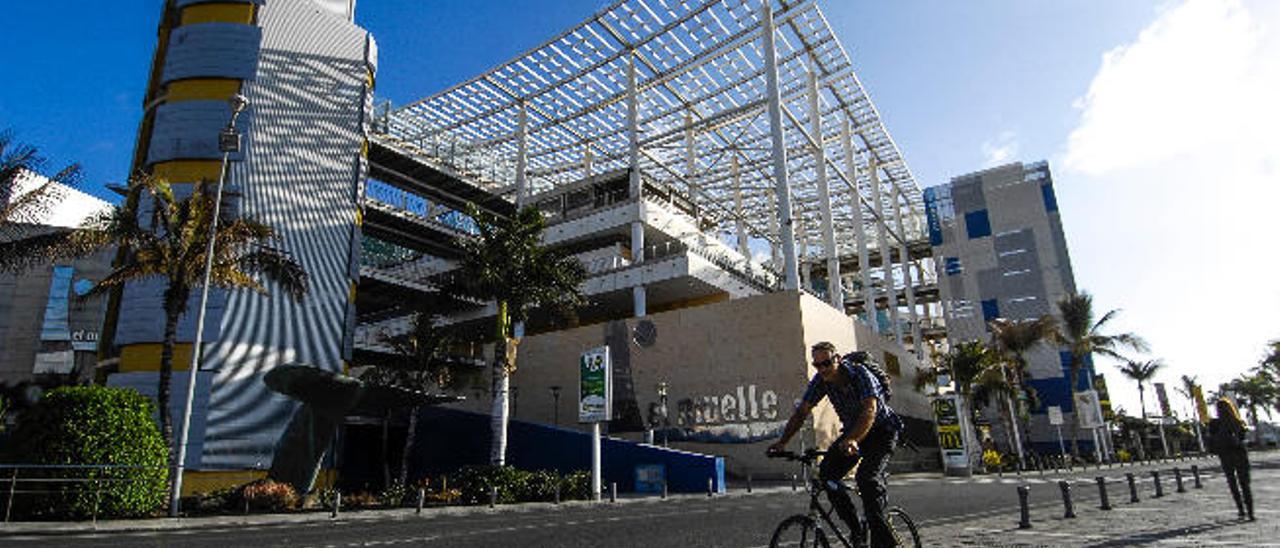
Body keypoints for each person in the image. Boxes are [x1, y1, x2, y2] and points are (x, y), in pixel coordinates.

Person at [768, 342, 905, 547]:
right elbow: (802, 412)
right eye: (817, 365)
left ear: (837, 359)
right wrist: (782, 442)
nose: (822, 369)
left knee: (866, 479)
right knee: (827, 475)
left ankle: (885, 543)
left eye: (826, 363)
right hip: (852, 433)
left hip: (881, 432)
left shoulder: (860, 375)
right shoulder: (821, 381)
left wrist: (853, 439)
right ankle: (856, 532)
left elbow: (869, 411)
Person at [1208, 397, 1253, 520]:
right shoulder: (1237, 422)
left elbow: (1211, 441)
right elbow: (1243, 438)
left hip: (1225, 456)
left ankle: (1241, 510)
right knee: (1245, 484)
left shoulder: (1214, 424)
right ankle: (1250, 512)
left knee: (1233, 483)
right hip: (1240, 455)